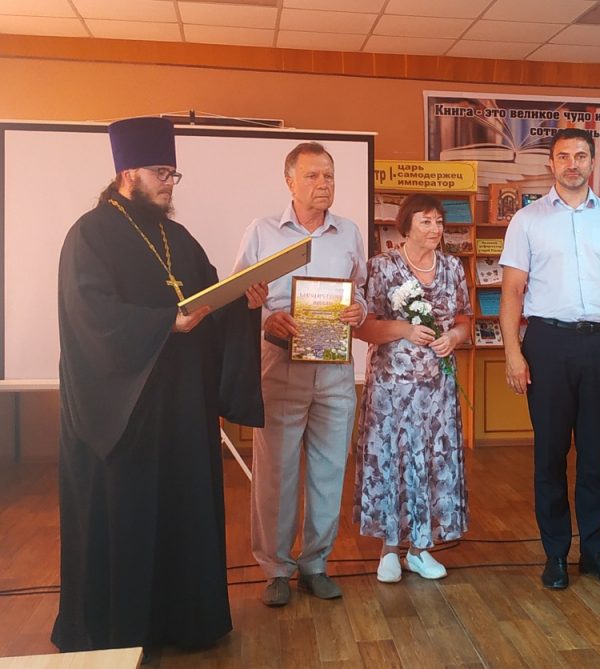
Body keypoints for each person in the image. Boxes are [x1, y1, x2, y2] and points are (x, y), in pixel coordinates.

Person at [52, 117, 266, 653]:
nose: (170, 183)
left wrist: (243, 302)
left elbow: (210, 300)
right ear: (128, 173)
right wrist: (166, 322)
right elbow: (90, 314)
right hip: (125, 413)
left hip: (182, 407)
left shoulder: (178, 237)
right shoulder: (90, 234)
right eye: (161, 172)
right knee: (130, 517)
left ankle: (186, 623)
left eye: (173, 173)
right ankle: (122, 632)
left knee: (181, 511)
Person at [499, 127, 600, 590]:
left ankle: (595, 551)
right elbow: (512, 291)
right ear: (551, 163)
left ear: (592, 162)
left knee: (594, 455)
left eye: (580, 156)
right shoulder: (527, 221)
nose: (572, 164)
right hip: (547, 343)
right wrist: (512, 353)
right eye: (563, 156)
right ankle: (556, 554)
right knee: (549, 454)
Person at [233, 142, 367, 607]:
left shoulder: (348, 232)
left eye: (329, 175)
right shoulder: (262, 231)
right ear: (289, 182)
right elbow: (240, 295)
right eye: (312, 175)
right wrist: (265, 316)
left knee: (330, 470)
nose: (323, 183)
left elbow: (360, 290)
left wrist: (358, 309)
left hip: (334, 366)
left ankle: (315, 564)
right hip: (280, 363)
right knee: (276, 471)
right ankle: (275, 568)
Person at [352, 194, 472, 583]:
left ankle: (420, 549)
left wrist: (453, 337)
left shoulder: (452, 267)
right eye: (426, 221)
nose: (435, 228)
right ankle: (389, 549)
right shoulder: (382, 266)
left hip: (437, 389)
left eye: (439, 221)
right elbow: (363, 327)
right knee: (393, 460)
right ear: (406, 226)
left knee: (432, 462)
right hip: (392, 389)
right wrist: (404, 329)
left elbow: (465, 320)